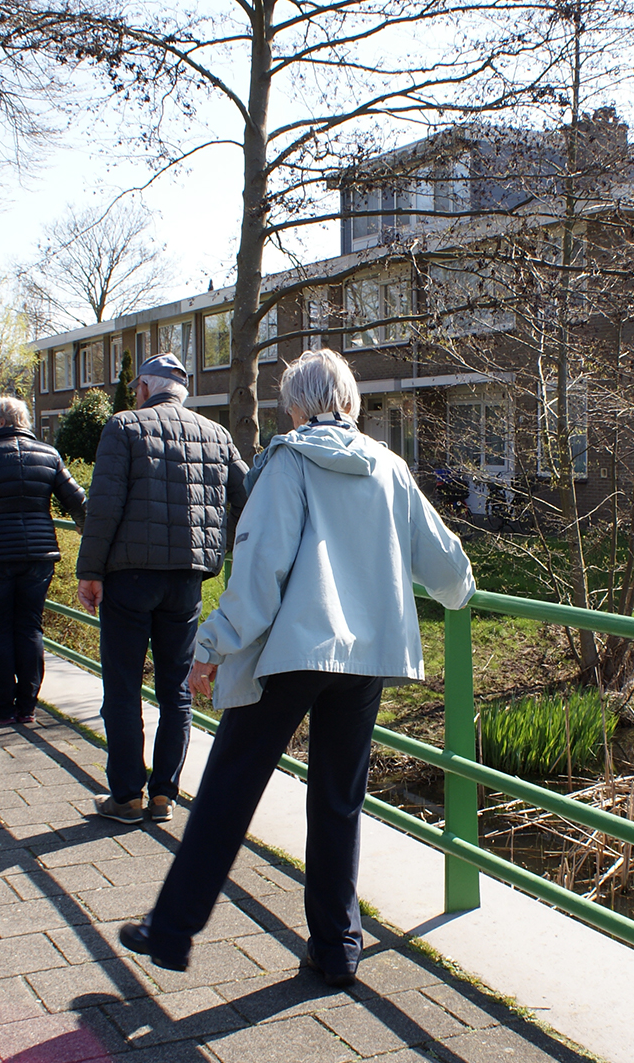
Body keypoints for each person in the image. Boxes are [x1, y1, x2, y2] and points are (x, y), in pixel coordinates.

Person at [117, 348, 476, 986]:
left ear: (298, 405)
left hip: (294, 653)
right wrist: (457, 591)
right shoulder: (391, 468)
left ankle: (172, 932)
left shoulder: (288, 462)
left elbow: (260, 574)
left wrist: (210, 646)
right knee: (338, 799)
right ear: (350, 400)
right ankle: (338, 947)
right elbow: (450, 577)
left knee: (230, 787)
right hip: (367, 660)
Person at [76, 353, 248, 826]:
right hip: (188, 578)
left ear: (146, 389)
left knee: (123, 686)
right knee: (176, 689)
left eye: (136, 389)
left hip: (129, 577)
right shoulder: (217, 434)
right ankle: (163, 795)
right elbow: (248, 497)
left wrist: (89, 572)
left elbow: (104, 508)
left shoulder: (124, 427)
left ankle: (127, 795)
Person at [0, 396, 87, 725]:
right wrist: (93, 535)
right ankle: (27, 706)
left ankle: (1, 706)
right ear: (24, 422)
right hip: (38, 557)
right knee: (29, 628)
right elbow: (77, 499)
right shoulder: (48, 454)